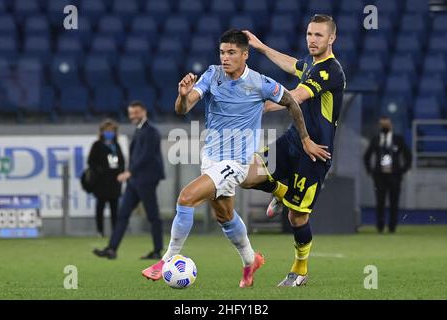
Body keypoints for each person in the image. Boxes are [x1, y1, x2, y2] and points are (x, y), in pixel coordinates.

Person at [141, 29, 329, 288]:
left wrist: (306, 139)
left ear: (245, 54)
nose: (225, 58)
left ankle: (167, 259)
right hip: (211, 158)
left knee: (186, 199)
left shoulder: (260, 83)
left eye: (231, 53)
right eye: (222, 52)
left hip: (237, 163)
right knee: (225, 216)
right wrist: (183, 96)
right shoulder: (212, 74)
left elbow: (292, 103)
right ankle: (251, 260)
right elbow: (183, 109)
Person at [240, 14, 346, 287]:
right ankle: (282, 192)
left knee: (297, 216)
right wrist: (262, 47)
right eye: (309, 34)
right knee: (246, 174)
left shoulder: (330, 71)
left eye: (318, 35)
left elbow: (297, 96)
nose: (312, 39)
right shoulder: (311, 64)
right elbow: (292, 64)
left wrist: (263, 104)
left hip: (315, 151)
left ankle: (300, 270)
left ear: (331, 38)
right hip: (293, 140)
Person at [93, 101, 165, 260]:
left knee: (153, 216)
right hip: (135, 180)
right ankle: (111, 249)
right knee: (122, 215)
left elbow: (146, 156)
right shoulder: (140, 131)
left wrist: (129, 172)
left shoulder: (151, 131)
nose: (133, 116)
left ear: (144, 111)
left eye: (136, 113)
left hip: (146, 180)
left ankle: (158, 251)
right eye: (131, 113)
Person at [363, 116, 412, 233]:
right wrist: (370, 171)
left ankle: (392, 227)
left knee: (394, 202)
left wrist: (402, 170)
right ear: (379, 126)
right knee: (380, 202)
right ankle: (380, 226)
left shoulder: (398, 139)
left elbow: (408, 156)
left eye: (386, 124)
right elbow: (367, 156)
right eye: (382, 125)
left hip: (394, 175)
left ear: (391, 125)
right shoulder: (376, 139)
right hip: (380, 176)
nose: (384, 127)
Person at [87, 119, 125, 237]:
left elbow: (122, 162)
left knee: (115, 208)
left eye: (111, 131)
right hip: (101, 182)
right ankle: (100, 231)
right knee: (100, 207)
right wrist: (100, 171)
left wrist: (121, 173)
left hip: (114, 182)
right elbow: (91, 161)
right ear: (102, 132)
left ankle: (115, 231)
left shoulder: (116, 145)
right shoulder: (97, 145)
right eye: (107, 131)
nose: (109, 133)